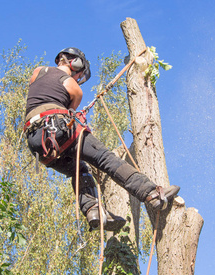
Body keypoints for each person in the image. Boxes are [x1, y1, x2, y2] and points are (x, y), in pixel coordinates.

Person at [24, 47, 180, 232]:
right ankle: (151, 193)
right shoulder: (74, 88)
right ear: (76, 64)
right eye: (80, 74)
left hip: (36, 143)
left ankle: (93, 211)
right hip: (58, 129)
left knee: (79, 170)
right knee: (104, 158)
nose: (78, 79)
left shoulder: (37, 72)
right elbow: (69, 112)